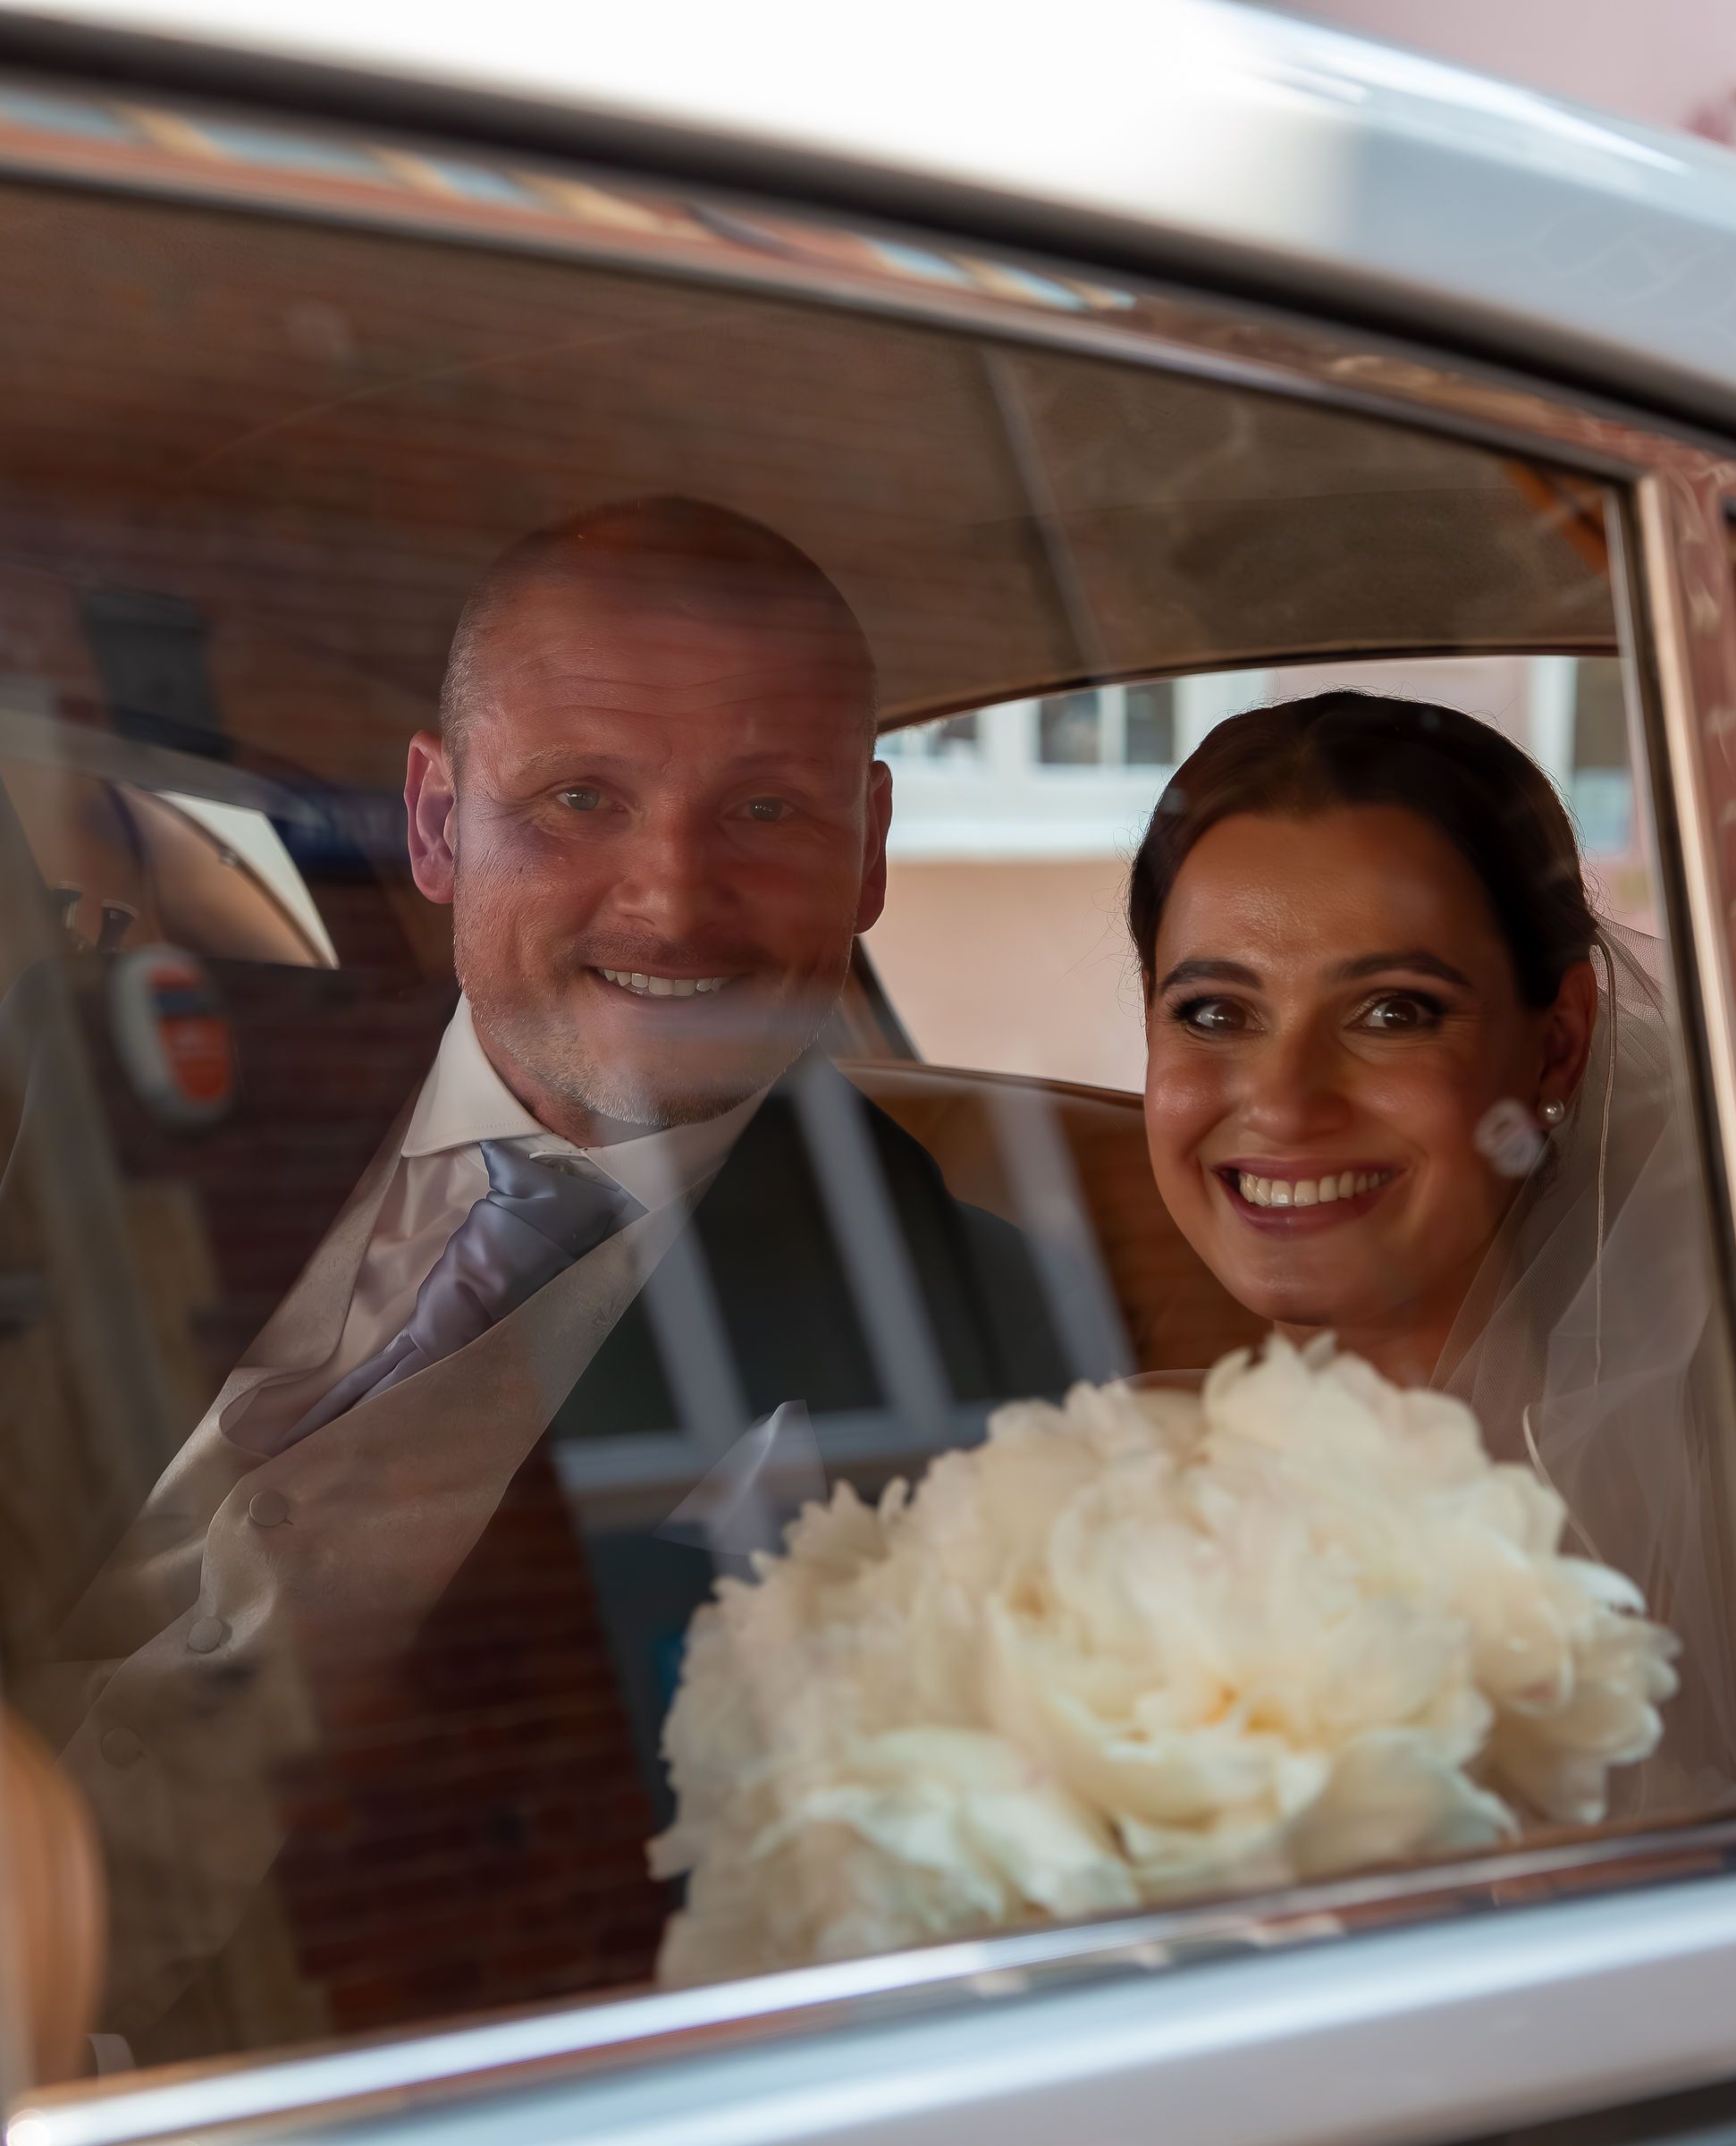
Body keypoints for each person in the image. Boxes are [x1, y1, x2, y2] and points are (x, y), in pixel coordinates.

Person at [40, 497, 1066, 2045]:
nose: (668, 898)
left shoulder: (987, 1347)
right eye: (581, 796)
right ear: (439, 827)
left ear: (867, 850)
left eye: (767, 811)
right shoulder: (95, 1086)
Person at [1130, 691, 1736, 1815]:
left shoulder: (1693, 1522)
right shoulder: (1114, 1475)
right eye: (1215, 1016)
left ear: (1557, 1043)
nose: (1281, 1104)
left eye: (1391, 1013)